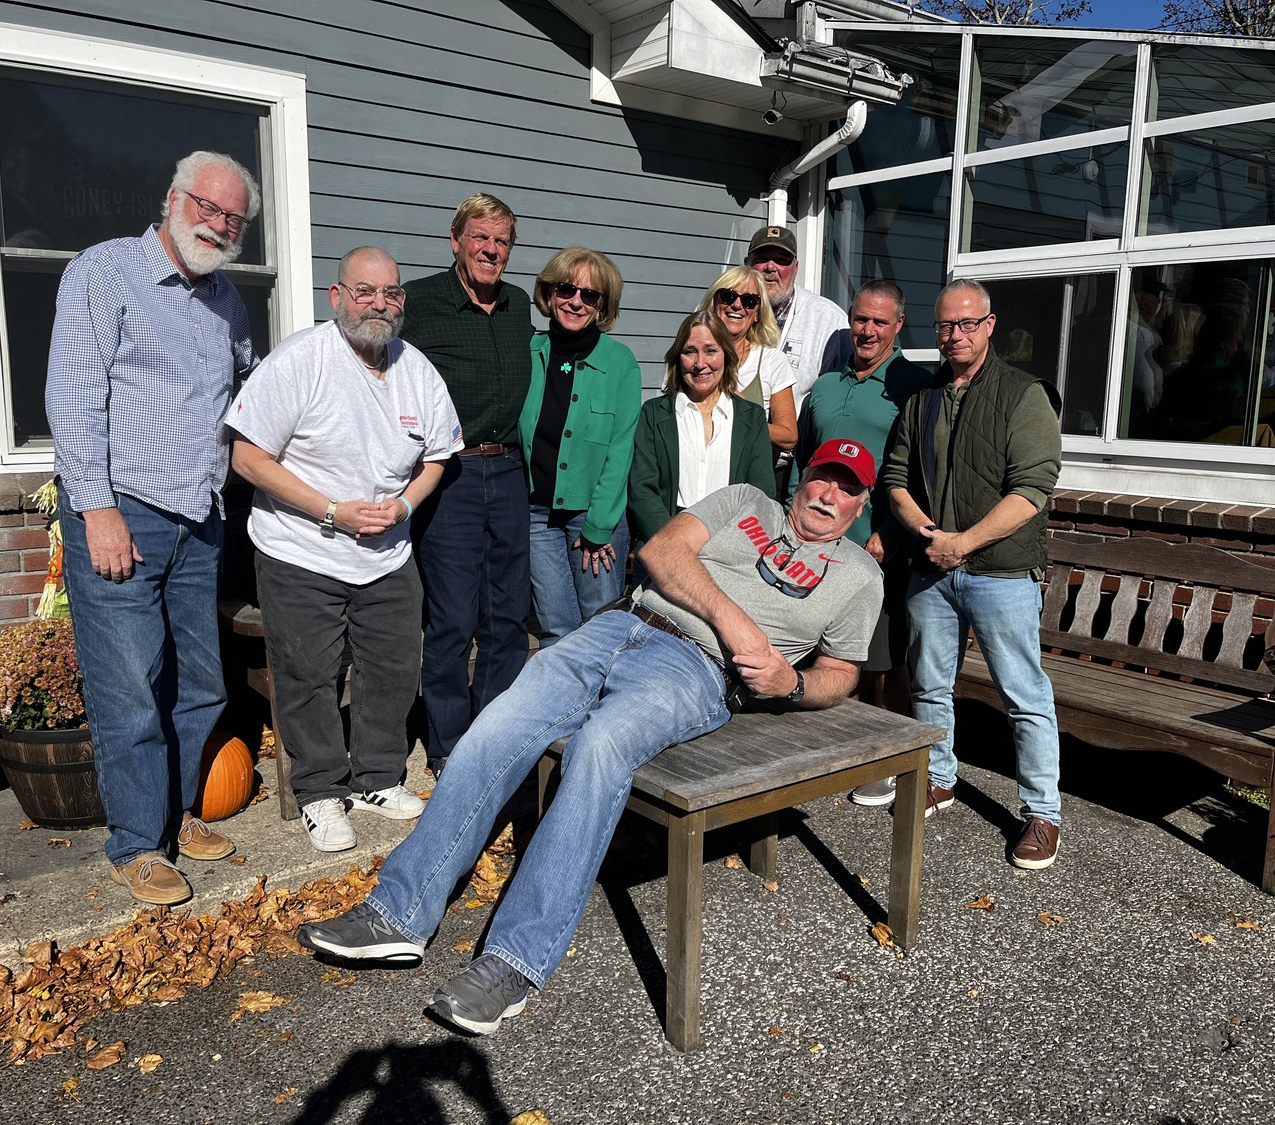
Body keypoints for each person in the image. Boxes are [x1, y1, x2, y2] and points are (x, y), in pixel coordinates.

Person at [296, 440, 885, 1036]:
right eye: (823, 478)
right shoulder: (743, 502)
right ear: (803, 479)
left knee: (599, 747)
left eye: (847, 488)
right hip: (619, 626)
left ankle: (512, 963)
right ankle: (397, 913)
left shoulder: (860, 577)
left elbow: (840, 672)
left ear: (860, 505)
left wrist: (789, 684)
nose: (829, 495)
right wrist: (738, 623)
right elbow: (661, 551)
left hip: (698, 671)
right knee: (497, 725)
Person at [46, 151, 261, 906]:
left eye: (234, 217)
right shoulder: (105, 272)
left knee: (199, 682)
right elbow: (73, 397)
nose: (220, 223)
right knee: (130, 684)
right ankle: (138, 843)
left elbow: (245, 394)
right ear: (174, 198)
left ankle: (175, 813)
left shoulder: (227, 301)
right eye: (209, 206)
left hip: (199, 518)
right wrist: (96, 509)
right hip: (123, 512)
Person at [226, 248, 463, 852]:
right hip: (301, 547)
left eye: (391, 293)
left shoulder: (417, 370)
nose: (379, 304)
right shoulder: (301, 361)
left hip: (387, 551)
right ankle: (320, 793)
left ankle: (377, 778)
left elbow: (437, 457)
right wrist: (331, 510)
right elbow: (247, 457)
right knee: (308, 674)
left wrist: (405, 505)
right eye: (365, 292)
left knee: (392, 667)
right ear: (337, 298)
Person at [884, 279, 1065, 870]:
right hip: (932, 568)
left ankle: (1042, 813)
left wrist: (964, 543)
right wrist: (928, 536)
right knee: (930, 685)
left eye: (966, 324)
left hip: (1002, 572)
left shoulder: (1023, 393)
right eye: (944, 326)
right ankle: (939, 779)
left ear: (990, 325)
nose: (954, 335)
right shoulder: (924, 399)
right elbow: (895, 478)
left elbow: (1033, 489)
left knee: (1024, 695)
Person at [401, 195, 534, 778]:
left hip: (509, 470)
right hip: (448, 473)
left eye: (501, 241)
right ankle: (449, 743)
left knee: (507, 614)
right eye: (480, 237)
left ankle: (494, 729)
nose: (490, 250)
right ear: (455, 239)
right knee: (453, 616)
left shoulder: (517, 304)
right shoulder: (421, 303)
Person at [794, 279, 931, 807]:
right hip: (817, 538)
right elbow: (806, 462)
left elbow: (919, 471)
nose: (868, 330)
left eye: (880, 321)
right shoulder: (826, 386)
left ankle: (884, 758)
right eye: (860, 319)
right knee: (823, 645)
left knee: (883, 655)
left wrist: (892, 532)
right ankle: (831, 747)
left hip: (877, 543)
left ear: (898, 326)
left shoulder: (913, 386)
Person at [520, 248, 641, 647]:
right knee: (555, 629)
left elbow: (620, 449)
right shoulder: (529, 351)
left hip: (593, 517)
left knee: (600, 626)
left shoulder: (620, 361)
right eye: (567, 289)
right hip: (536, 514)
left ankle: (605, 709)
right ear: (550, 292)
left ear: (603, 304)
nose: (576, 301)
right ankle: (567, 710)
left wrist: (599, 525)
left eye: (590, 295)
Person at [629, 311, 775, 546]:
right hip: (663, 542)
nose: (700, 364)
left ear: (726, 356)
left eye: (710, 351)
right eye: (690, 352)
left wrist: (725, 547)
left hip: (728, 546)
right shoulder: (654, 413)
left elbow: (761, 495)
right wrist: (675, 543)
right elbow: (642, 490)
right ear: (678, 357)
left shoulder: (752, 418)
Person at [743, 224, 852, 415]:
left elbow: (844, 393)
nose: (770, 267)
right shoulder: (723, 310)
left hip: (795, 443)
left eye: (781, 260)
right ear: (747, 264)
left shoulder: (829, 320)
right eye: (761, 259)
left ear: (795, 268)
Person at [692, 266, 796, 453]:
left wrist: (742, 413)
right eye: (728, 296)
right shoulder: (690, 355)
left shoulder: (771, 361)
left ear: (757, 313)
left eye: (749, 301)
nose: (737, 306)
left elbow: (788, 437)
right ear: (715, 302)